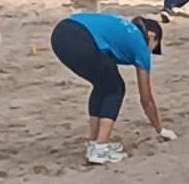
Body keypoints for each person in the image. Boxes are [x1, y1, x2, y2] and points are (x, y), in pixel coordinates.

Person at [51, 11, 175, 164]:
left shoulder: (124, 29)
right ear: (152, 36)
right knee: (116, 89)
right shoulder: (140, 45)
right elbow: (146, 99)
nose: (150, 52)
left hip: (61, 33)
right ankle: (100, 148)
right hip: (83, 39)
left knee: (103, 85)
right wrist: (160, 129)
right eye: (154, 47)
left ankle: (94, 143)